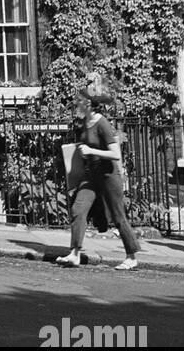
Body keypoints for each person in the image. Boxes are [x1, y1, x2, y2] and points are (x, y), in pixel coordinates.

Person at [56, 91, 140, 271]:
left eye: (80, 101)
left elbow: (115, 154)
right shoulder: (86, 122)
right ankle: (75, 254)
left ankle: (131, 256)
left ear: (90, 104)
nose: (77, 103)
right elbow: (87, 146)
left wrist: (91, 151)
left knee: (118, 216)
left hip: (108, 176)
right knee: (78, 209)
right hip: (91, 175)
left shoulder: (102, 123)